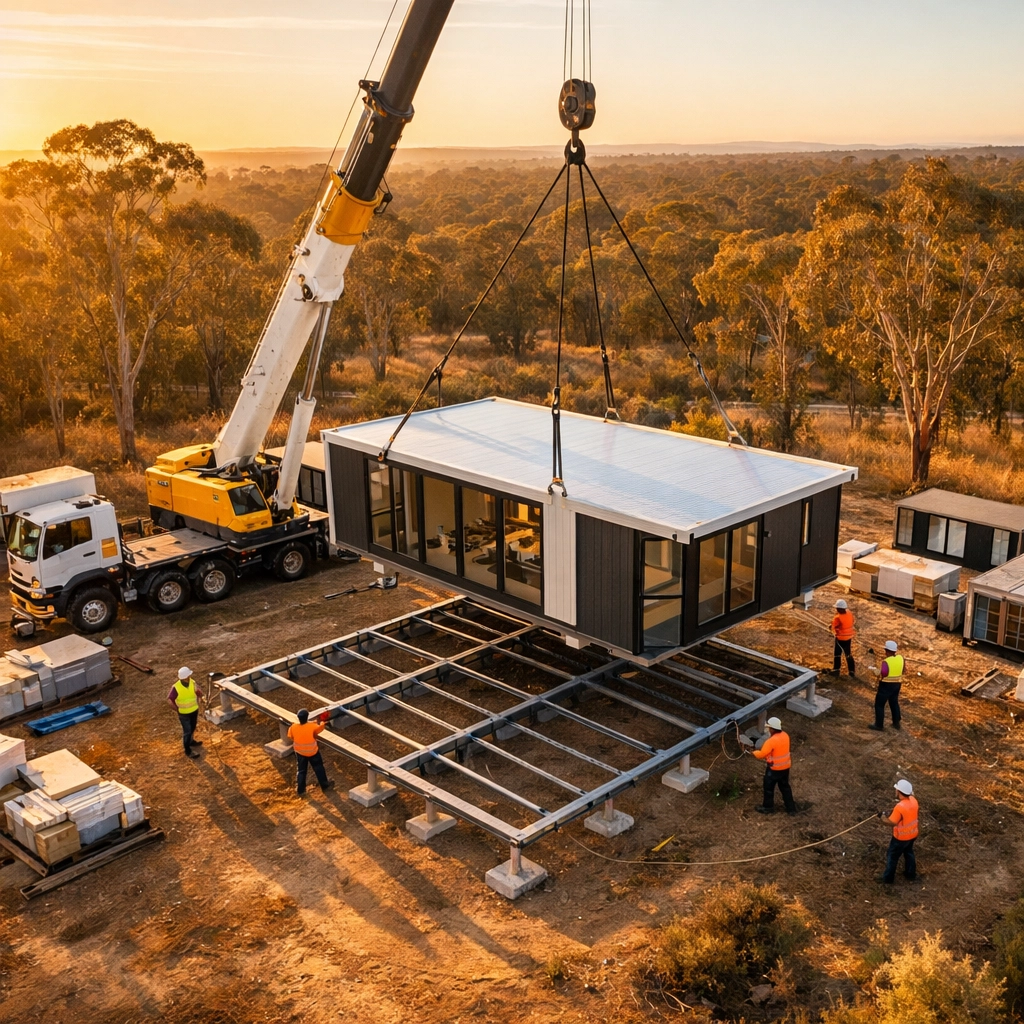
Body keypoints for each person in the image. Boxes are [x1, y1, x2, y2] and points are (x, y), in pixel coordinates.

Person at [748, 716, 797, 814]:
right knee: (785, 787)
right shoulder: (785, 736)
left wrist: (753, 752)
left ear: (772, 729)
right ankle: (791, 809)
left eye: (769, 728)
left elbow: (762, 754)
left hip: (774, 770)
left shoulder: (771, 742)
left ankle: (768, 808)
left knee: (769, 789)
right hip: (785, 768)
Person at [879, 778, 918, 883]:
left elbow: (890, 822)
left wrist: (882, 817)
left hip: (900, 838)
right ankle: (911, 874)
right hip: (913, 834)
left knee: (892, 857)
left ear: (899, 792)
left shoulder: (899, 807)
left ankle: (888, 879)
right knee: (909, 853)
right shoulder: (914, 801)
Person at [287, 709, 333, 796]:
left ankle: (300, 790)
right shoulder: (312, 726)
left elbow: (290, 736)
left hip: (300, 752)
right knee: (319, 768)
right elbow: (319, 728)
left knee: (301, 771)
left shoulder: (293, 727)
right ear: (307, 717)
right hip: (313, 752)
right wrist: (322, 723)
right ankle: (325, 785)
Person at [168, 666, 202, 759]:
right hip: (184, 714)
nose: (190, 676)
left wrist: (199, 693)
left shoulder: (192, 682)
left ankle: (191, 741)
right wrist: (177, 710)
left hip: (194, 710)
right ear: (185, 677)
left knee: (193, 727)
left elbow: (198, 692)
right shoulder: (176, 687)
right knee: (187, 732)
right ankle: (188, 750)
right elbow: (170, 700)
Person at [869, 640, 904, 731]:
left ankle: (879, 725)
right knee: (894, 702)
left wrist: (877, 671)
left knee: (879, 705)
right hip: (897, 684)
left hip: (886, 685)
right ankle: (896, 723)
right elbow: (904, 670)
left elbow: (884, 673)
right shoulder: (901, 658)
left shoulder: (886, 661)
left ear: (887, 651)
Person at [830, 599, 856, 677]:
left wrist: (831, 628)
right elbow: (852, 621)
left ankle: (836, 670)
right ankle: (852, 671)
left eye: (837, 608)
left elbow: (833, 627)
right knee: (848, 654)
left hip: (840, 638)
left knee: (837, 654)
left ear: (839, 609)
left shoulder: (837, 617)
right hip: (849, 637)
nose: (836, 609)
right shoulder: (849, 613)